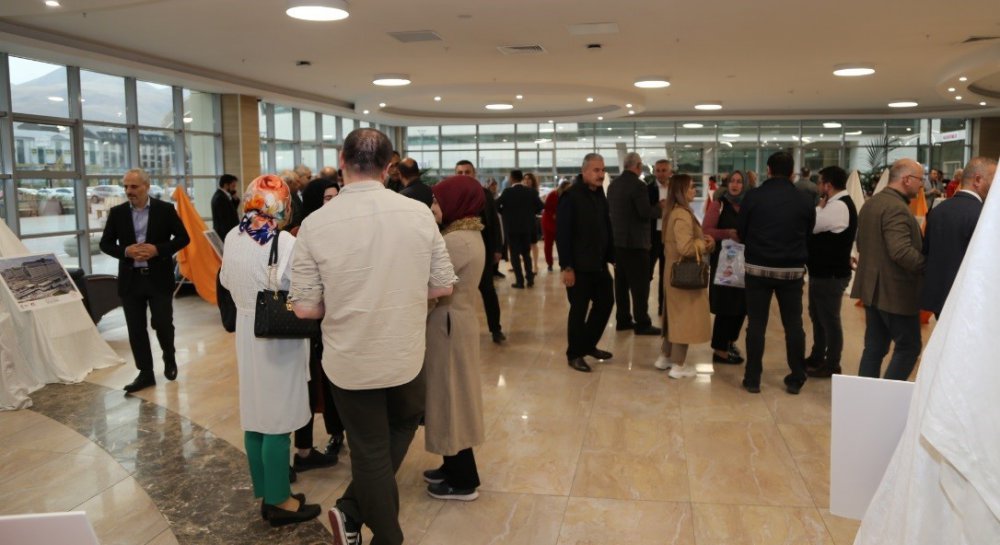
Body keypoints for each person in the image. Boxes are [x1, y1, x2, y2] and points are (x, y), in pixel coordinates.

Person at [290, 128, 457, 545]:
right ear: (389, 167)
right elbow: (442, 286)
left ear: (342, 161)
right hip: (404, 351)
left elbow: (305, 308)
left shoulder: (315, 223)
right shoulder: (418, 213)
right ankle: (380, 531)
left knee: (369, 450)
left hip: (350, 358)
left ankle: (356, 515)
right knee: (401, 425)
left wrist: (345, 298)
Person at [219, 174, 320, 527]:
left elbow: (226, 282)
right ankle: (281, 501)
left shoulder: (233, 236)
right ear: (283, 205)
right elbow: (303, 290)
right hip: (277, 336)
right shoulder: (284, 242)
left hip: (248, 330)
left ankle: (266, 490)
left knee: (255, 414)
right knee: (277, 418)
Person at [422, 175, 487, 501]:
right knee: (450, 395)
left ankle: (463, 480)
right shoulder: (465, 233)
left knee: (451, 397)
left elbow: (430, 283)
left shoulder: (456, 240)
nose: (433, 207)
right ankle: (452, 465)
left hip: (447, 324)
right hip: (453, 322)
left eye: (437, 200)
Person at [99, 168, 190, 393]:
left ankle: (169, 356)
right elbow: (105, 244)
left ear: (146, 186)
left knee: (162, 323)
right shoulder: (117, 213)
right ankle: (146, 373)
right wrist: (126, 252)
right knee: (136, 329)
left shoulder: (165, 210)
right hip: (131, 281)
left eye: (134, 186)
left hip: (158, 279)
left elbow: (183, 238)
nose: (129, 191)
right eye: (126, 187)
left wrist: (157, 250)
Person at [738, 152, 816, 395]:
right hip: (791, 271)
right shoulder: (804, 200)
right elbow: (808, 231)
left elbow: (742, 231)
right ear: (792, 173)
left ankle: (752, 378)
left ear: (768, 170)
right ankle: (796, 377)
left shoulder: (754, 196)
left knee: (757, 324)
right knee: (793, 325)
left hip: (757, 269)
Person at [852, 158, 926, 381]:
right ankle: (885, 403)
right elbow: (901, 252)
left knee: (874, 348)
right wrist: (928, 266)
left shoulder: (872, 203)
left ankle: (866, 399)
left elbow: (861, 244)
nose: (921, 186)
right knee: (909, 348)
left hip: (872, 290)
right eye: (919, 180)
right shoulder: (897, 209)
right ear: (906, 180)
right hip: (895, 292)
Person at [291, 177, 343, 473]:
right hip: (311, 322)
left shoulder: (349, 230)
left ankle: (338, 432)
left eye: (337, 196)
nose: (333, 203)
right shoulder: (301, 233)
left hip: (341, 317)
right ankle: (311, 444)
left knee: (337, 382)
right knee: (314, 383)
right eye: (326, 198)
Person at [556, 153, 615, 373]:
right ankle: (574, 354)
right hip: (578, 267)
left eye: (602, 170)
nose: (601, 174)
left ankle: (588, 345)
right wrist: (567, 267)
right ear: (584, 172)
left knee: (606, 302)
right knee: (578, 311)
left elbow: (606, 228)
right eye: (596, 170)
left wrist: (613, 257)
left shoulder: (600, 194)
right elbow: (563, 234)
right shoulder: (570, 197)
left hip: (599, 264)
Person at [920, 157, 996, 319]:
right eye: (994, 180)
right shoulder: (985, 215)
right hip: (969, 301)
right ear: (977, 180)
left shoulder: (937, 211)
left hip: (939, 297)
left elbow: (927, 252)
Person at [655, 174, 715, 378]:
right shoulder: (682, 214)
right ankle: (678, 365)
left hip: (673, 272)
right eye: (691, 187)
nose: (694, 190)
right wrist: (705, 244)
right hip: (684, 275)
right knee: (684, 318)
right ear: (681, 191)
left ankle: (665, 357)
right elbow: (686, 247)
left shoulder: (673, 212)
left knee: (673, 315)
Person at [804, 166, 858, 378]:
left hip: (831, 274)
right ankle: (818, 356)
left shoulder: (838, 206)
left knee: (828, 319)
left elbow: (813, 225)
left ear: (828, 185)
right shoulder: (835, 203)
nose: (818, 187)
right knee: (818, 317)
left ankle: (832, 362)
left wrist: (818, 207)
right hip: (823, 273)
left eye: (820, 182)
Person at [607, 152, 660, 335]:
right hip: (636, 244)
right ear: (637, 166)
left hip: (618, 242)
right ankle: (642, 322)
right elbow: (644, 212)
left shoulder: (613, 185)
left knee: (621, 284)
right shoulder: (638, 186)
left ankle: (623, 319)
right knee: (640, 286)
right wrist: (661, 208)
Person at [455, 160, 507, 343]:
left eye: (467, 172)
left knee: (487, 290)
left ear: (473, 173)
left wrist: (498, 249)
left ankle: (496, 329)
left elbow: (493, 222)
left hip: (482, 250)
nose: (463, 175)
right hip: (459, 251)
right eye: (459, 172)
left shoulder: (484, 194)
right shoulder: (452, 195)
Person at [701, 170, 746, 366]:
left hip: (744, 263)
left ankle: (729, 341)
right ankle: (719, 349)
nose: (735, 185)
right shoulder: (719, 204)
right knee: (726, 305)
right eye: (732, 181)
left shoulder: (749, 205)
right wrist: (728, 233)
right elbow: (706, 230)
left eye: (739, 181)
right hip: (724, 264)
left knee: (742, 304)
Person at [496, 169, 543, 288]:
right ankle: (530, 278)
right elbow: (541, 206)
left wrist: (504, 213)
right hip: (527, 228)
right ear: (521, 178)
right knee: (526, 254)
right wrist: (530, 213)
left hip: (512, 228)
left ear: (511, 178)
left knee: (515, 255)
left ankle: (520, 281)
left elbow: (496, 205)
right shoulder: (530, 192)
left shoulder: (507, 192)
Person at [647, 159, 672, 316]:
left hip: (670, 235)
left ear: (670, 172)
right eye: (658, 170)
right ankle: (642, 309)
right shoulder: (647, 189)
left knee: (667, 274)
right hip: (652, 236)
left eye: (664, 170)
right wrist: (658, 207)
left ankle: (663, 308)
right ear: (655, 172)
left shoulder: (675, 190)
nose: (661, 173)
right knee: (646, 273)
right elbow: (644, 211)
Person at [542, 180, 570, 272]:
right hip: (548, 223)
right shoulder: (552, 194)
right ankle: (549, 263)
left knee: (562, 245)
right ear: (561, 188)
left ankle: (563, 264)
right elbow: (546, 207)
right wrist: (554, 214)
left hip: (560, 224)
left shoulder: (569, 195)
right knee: (548, 245)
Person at [211, 173, 240, 240]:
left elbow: (231, 210)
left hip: (227, 233)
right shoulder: (220, 198)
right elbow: (225, 218)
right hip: (224, 234)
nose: (234, 189)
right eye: (233, 186)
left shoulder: (224, 196)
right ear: (226, 185)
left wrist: (235, 199)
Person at [524, 173, 543, 272]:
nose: (527, 181)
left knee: (533, 243)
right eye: (525, 179)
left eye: (529, 179)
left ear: (532, 181)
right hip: (522, 221)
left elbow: (540, 206)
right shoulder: (521, 191)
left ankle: (535, 265)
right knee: (524, 245)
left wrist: (533, 211)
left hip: (531, 221)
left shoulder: (534, 192)